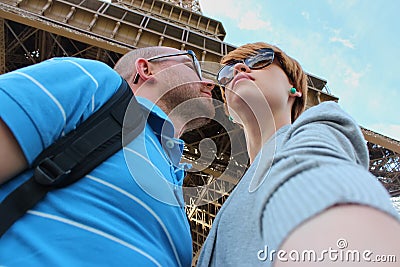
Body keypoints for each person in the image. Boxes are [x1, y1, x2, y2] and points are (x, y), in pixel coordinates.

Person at [0, 46, 215, 266]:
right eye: (192, 65)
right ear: (145, 69)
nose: (210, 83)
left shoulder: (173, 177)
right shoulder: (96, 84)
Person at [197, 42, 400, 266]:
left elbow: (316, 175)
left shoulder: (319, 126)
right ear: (229, 112)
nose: (239, 69)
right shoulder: (233, 205)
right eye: (226, 74)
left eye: (260, 60)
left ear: (295, 89)